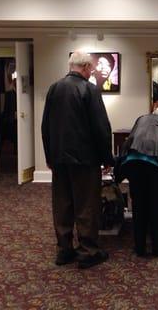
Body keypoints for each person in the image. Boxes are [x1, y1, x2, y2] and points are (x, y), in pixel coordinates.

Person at [41, 51, 115, 269]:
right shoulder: (89, 89)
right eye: (91, 68)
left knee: (62, 204)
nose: (91, 71)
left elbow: (45, 126)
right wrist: (106, 157)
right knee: (86, 205)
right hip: (85, 159)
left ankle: (64, 249)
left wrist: (49, 156)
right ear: (84, 67)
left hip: (59, 158)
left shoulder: (54, 88)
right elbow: (101, 127)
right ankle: (88, 251)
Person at [117, 106, 158, 257]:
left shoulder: (141, 119)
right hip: (154, 167)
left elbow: (129, 142)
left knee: (139, 206)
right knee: (156, 206)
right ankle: (157, 246)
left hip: (132, 164)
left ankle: (140, 247)